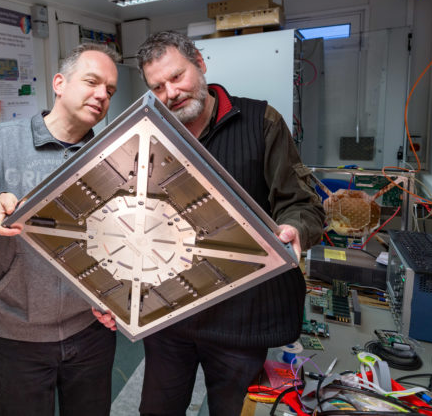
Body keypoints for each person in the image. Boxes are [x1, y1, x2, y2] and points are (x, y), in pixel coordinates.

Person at [129, 30, 323, 416]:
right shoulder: (150, 136)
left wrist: (293, 229)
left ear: (199, 64)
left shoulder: (261, 120)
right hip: (171, 313)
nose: (171, 92)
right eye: (158, 86)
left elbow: (301, 202)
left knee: (232, 411)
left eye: (177, 76)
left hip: (241, 316)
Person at [0, 43, 121, 416]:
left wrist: (117, 294)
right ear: (60, 83)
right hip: (18, 338)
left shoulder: (110, 157)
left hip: (91, 331)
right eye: (92, 81)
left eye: (109, 90)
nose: (101, 95)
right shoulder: (2, 143)